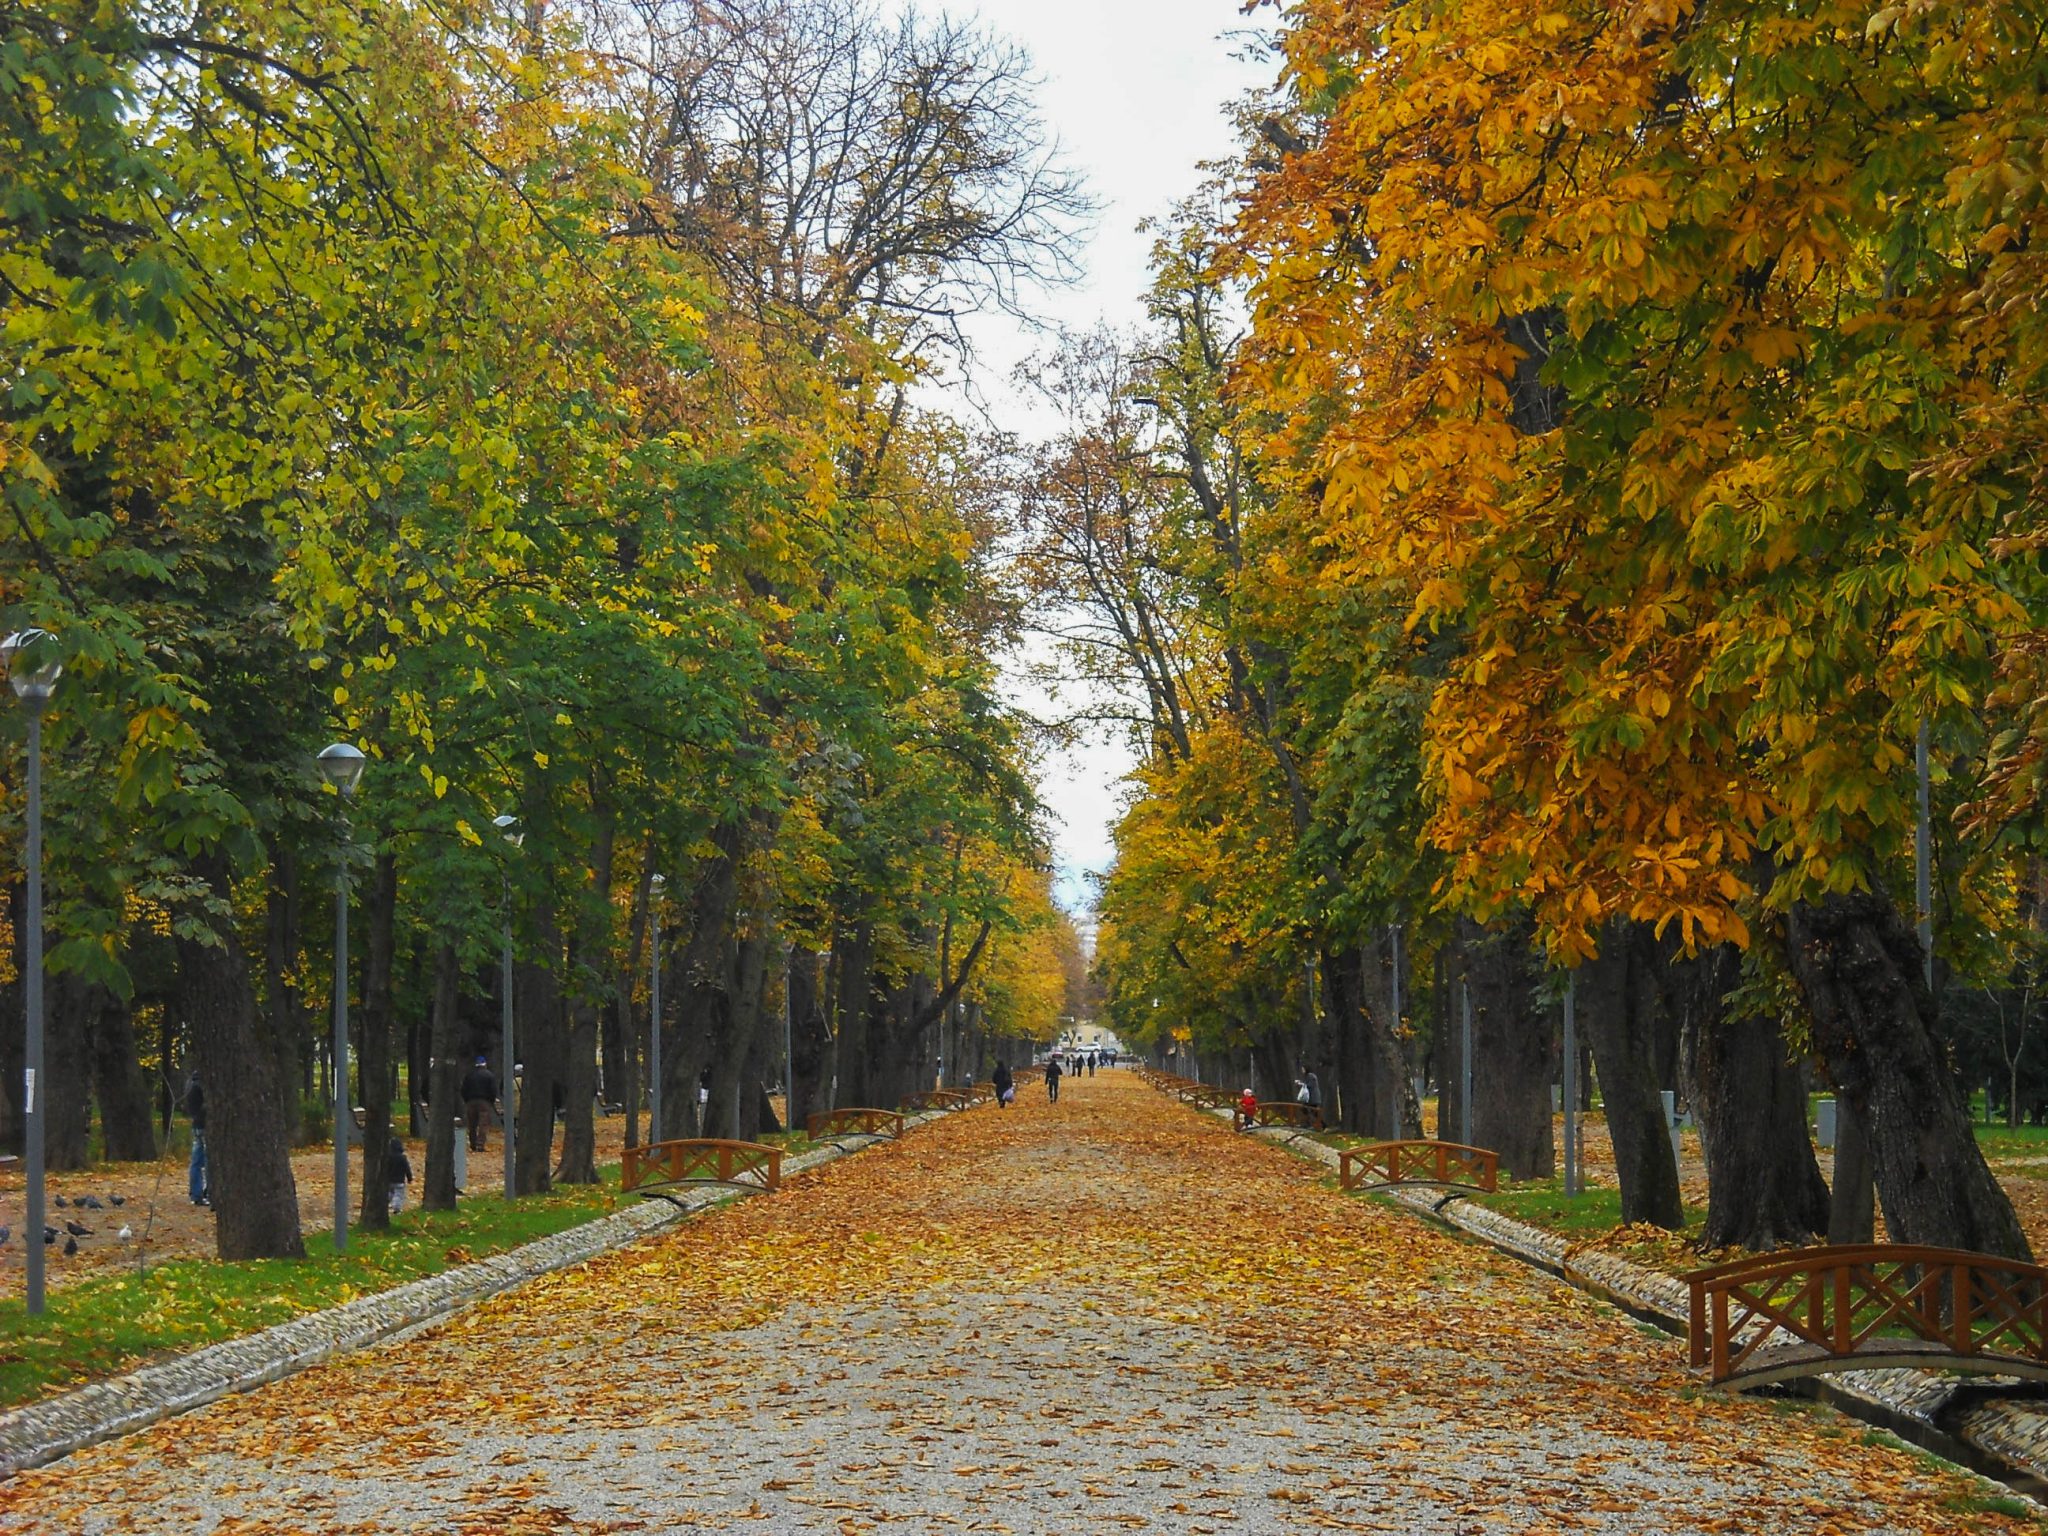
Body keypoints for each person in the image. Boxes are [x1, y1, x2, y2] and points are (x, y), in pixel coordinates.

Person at [184, 1072, 210, 1206]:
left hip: (196, 1124)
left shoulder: (190, 1083)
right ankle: (210, 1193)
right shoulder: (201, 1085)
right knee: (209, 1160)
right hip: (205, 1125)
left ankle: (196, 1193)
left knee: (196, 1162)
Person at [461, 1057, 498, 1152]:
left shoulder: (469, 1075)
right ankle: (480, 1144)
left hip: (471, 1101)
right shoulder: (489, 1075)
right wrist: (491, 1101)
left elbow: (463, 1089)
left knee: (472, 1124)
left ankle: (472, 1143)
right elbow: (493, 1090)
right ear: (485, 1064)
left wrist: (467, 1100)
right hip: (484, 1102)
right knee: (483, 1123)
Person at [385, 1133, 413, 1213]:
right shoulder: (402, 1158)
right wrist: (409, 1177)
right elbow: (407, 1168)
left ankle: (385, 1203)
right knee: (398, 1195)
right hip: (399, 1180)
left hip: (389, 1180)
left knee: (389, 1192)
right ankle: (396, 1208)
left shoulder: (388, 1157)